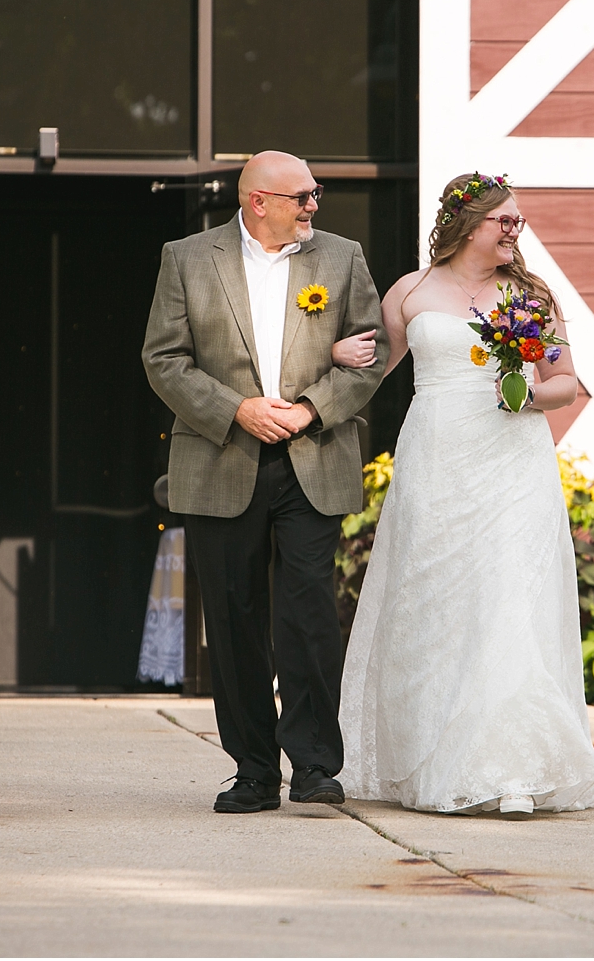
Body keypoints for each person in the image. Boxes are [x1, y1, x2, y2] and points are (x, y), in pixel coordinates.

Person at [338, 172, 594, 815]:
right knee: (435, 601)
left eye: (519, 221)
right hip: (435, 457)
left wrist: (527, 393)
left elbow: (565, 381)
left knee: (506, 599)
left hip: (513, 464)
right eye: (504, 221)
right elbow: (375, 371)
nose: (516, 231)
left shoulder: (531, 296)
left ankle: (505, 769)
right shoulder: (411, 290)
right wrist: (338, 357)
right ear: (467, 224)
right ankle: (424, 758)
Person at [142, 151, 388, 813]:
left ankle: (314, 764)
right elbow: (163, 360)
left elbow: (373, 355)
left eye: (315, 195)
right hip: (222, 456)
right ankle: (253, 769)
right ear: (259, 201)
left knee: (307, 614)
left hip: (314, 455)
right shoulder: (187, 257)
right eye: (303, 196)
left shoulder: (341, 258)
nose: (315, 206)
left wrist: (309, 408)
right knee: (233, 617)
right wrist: (237, 410)